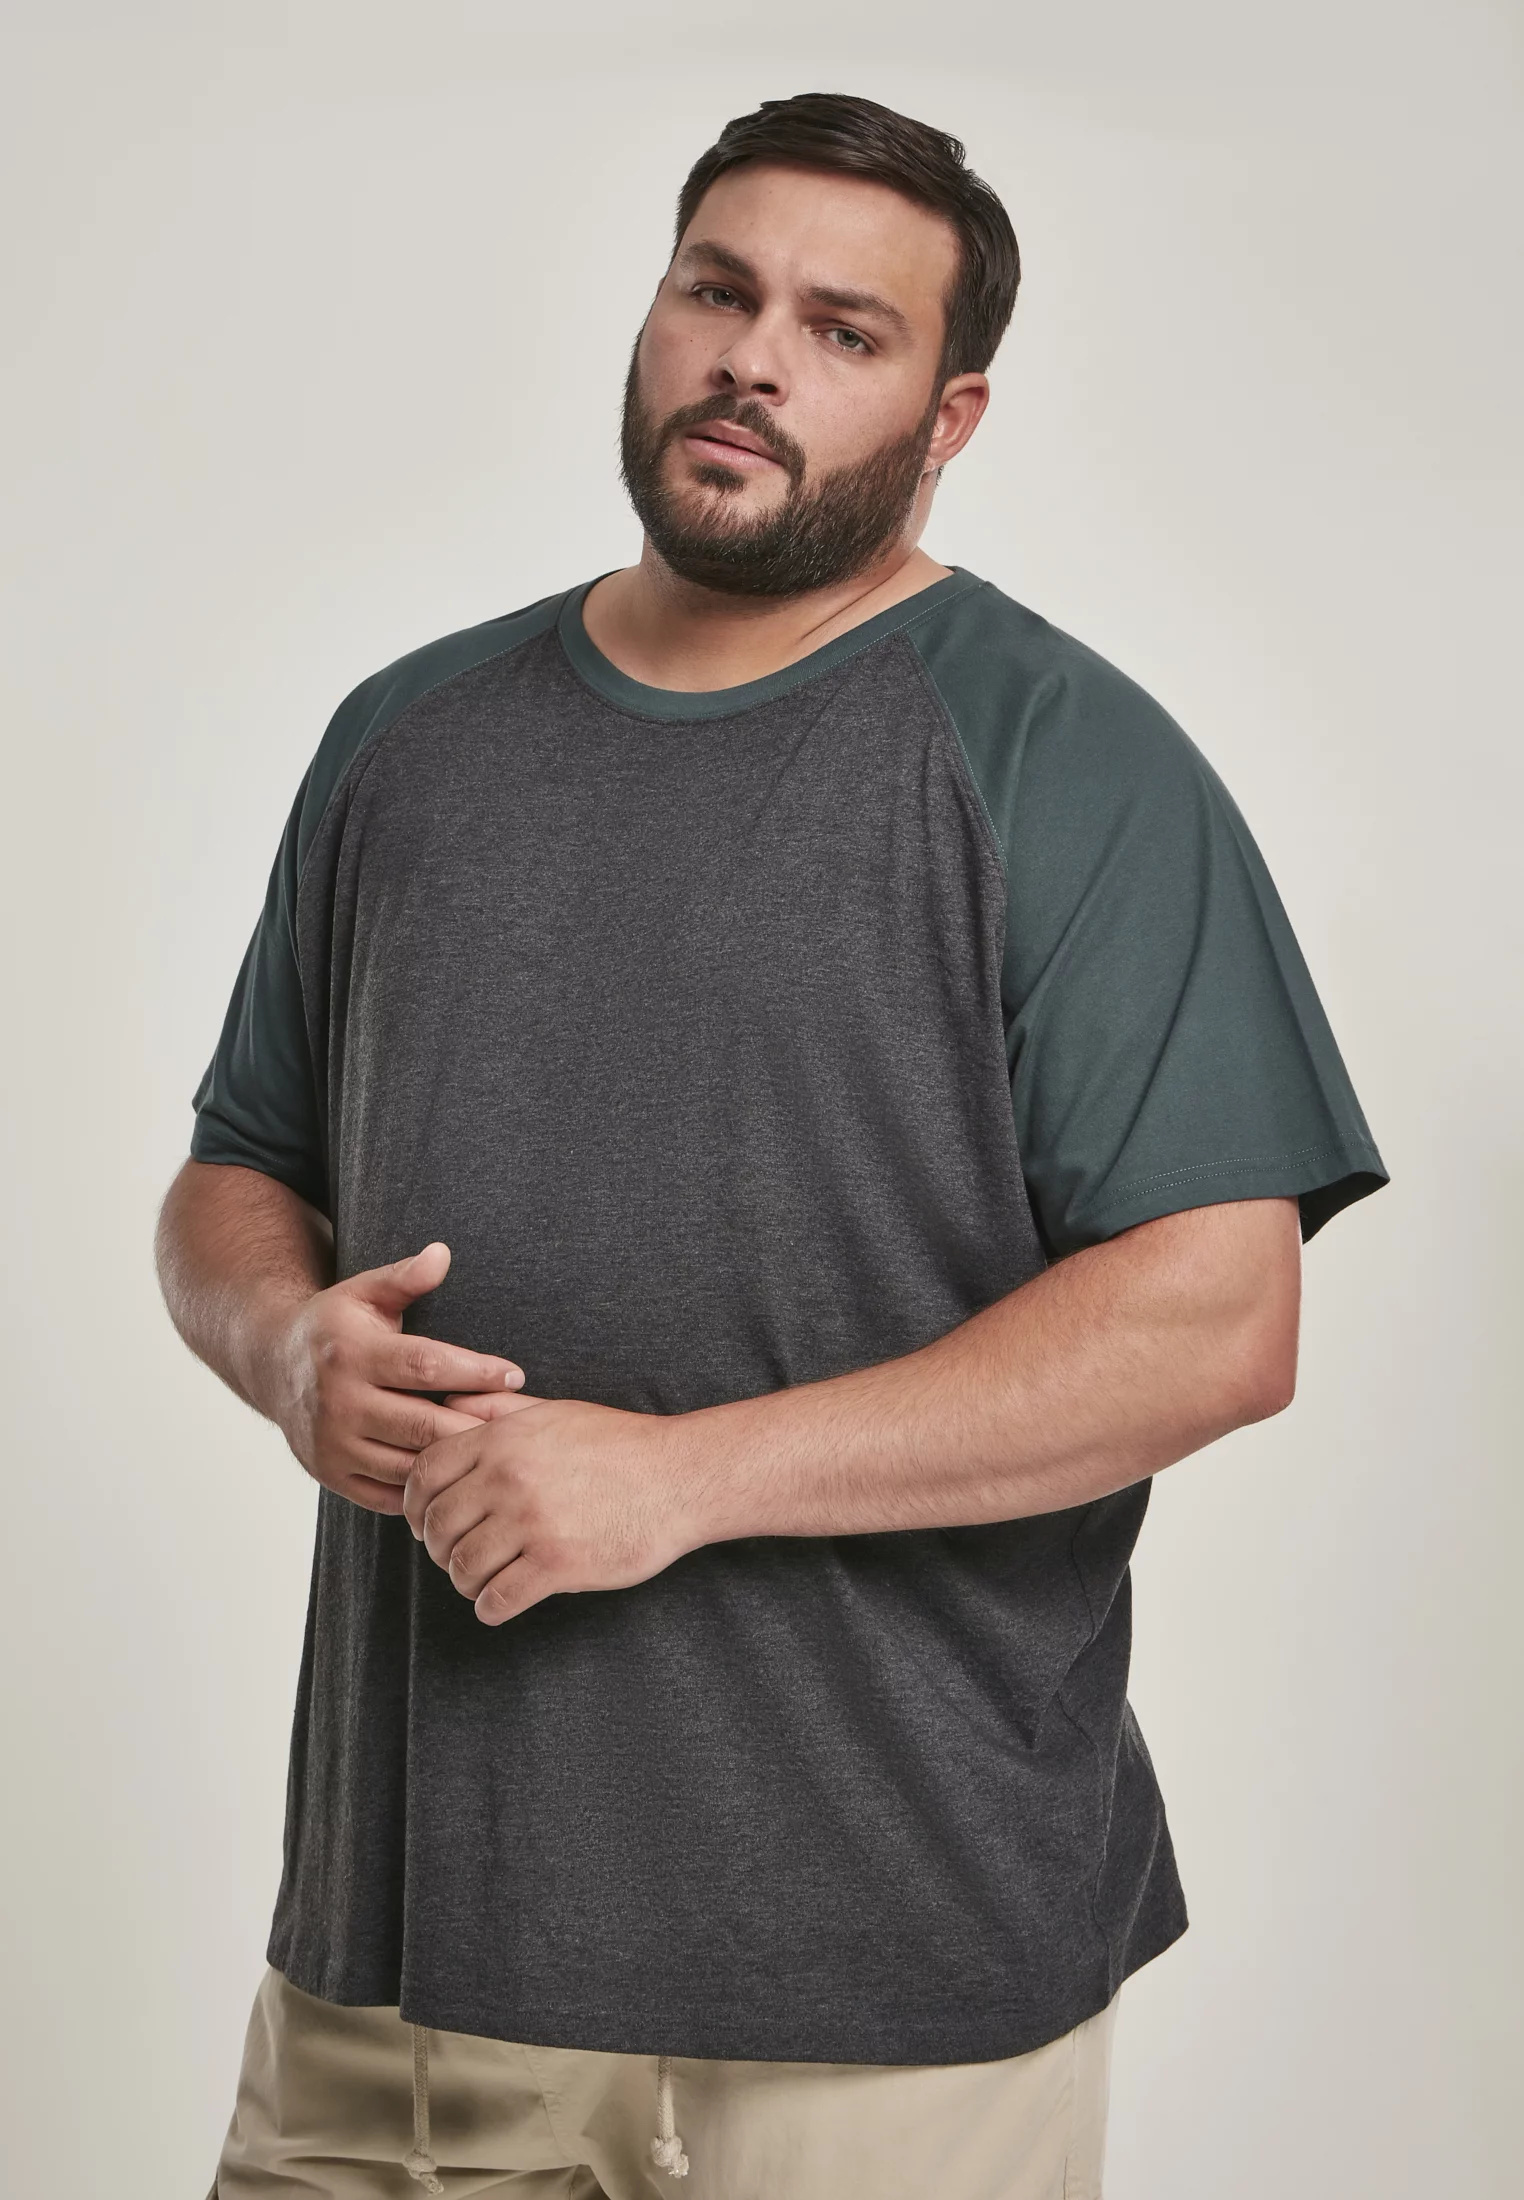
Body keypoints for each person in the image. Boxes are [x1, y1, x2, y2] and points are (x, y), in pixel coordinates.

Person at [159, 90, 1389, 2200]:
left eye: (843, 330)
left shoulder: (1067, 760)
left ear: (950, 415)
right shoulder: (406, 739)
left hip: (883, 1979)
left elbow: (1217, 1320)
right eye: (714, 293)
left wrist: (683, 1477)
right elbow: (234, 1173)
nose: (751, 360)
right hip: (407, 1962)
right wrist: (283, 1346)